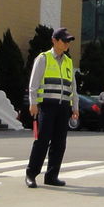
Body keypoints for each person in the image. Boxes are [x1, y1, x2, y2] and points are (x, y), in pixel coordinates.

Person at [24, 27, 79, 187]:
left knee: (59, 143)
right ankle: (31, 174)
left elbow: (73, 87)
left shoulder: (68, 61)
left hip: (63, 107)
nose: (67, 44)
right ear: (54, 40)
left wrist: (75, 107)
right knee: (42, 140)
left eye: (69, 41)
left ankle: (52, 176)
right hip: (47, 106)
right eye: (64, 40)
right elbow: (33, 83)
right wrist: (33, 103)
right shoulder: (43, 58)